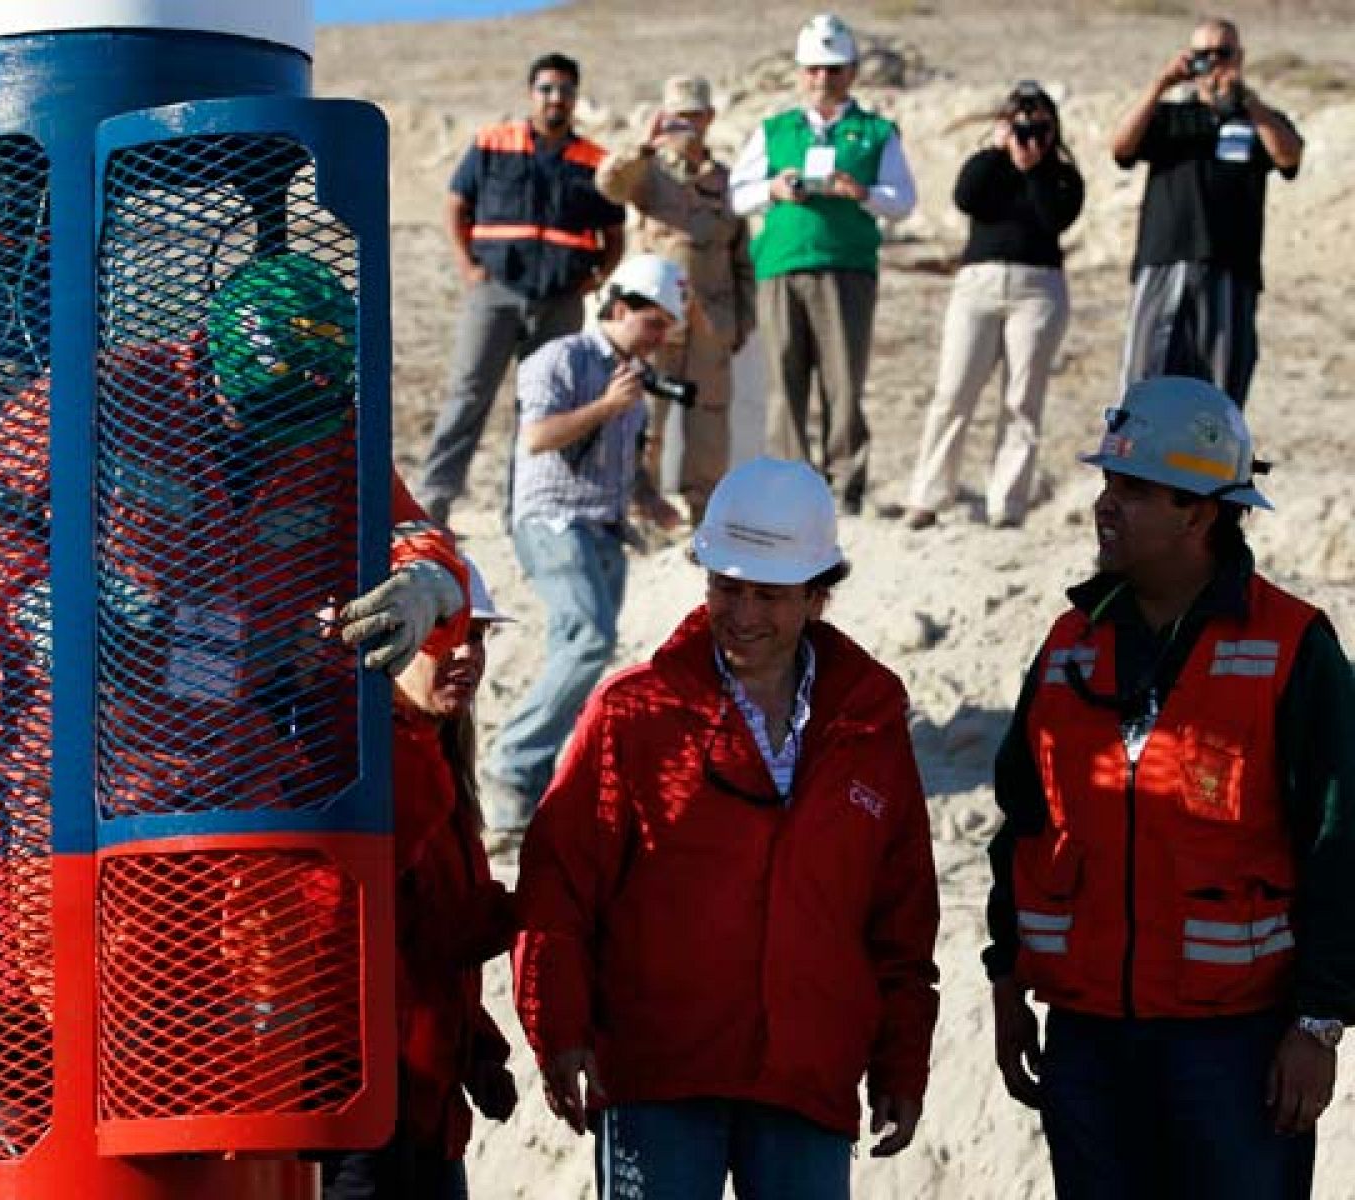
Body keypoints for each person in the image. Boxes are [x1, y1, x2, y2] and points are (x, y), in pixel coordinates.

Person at [514, 456, 939, 1198]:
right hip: (658, 1081)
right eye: (726, 587)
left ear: (816, 596)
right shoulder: (631, 716)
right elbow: (558, 887)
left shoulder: (870, 728)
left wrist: (901, 1062)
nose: (742, 613)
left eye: (768, 594)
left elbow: (901, 919)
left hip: (808, 1082)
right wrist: (560, 1029)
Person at [984, 376, 1355, 1200]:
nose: (1105, 505)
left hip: (1233, 1050)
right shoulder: (1068, 645)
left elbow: (1341, 843)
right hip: (1088, 1042)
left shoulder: (1294, 647)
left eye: (1134, 489)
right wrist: (1006, 979)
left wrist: (1318, 1023)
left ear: (1199, 513)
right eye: (1108, 483)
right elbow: (1022, 823)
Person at [320, 557, 519, 1199]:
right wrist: (525, 906)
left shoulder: (435, 758)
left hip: (423, 1109)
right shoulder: (374, 765)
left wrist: (477, 1048)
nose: (465, 653)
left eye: (476, 635)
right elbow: (402, 933)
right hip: (365, 1115)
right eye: (442, 631)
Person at [481, 254, 687, 835]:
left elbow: (624, 462)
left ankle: (532, 783)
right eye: (654, 323)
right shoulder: (560, 358)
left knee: (576, 651)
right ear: (619, 309)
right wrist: (606, 406)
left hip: (605, 527)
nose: (660, 338)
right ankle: (509, 764)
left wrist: (652, 501)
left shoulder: (633, 382)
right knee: (590, 639)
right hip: (553, 520)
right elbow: (538, 436)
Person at [414, 52, 626, 528]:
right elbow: (455, 205)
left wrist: (596, 278)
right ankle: (433, 504)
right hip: (495, 292)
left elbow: (614, 233)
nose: (556, 98)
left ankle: (526, 510)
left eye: (565, 90)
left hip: (560, 300)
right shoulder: (492, 143)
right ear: (531, 94)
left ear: (575, 98)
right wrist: (467, 266)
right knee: (468, 395)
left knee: (544, 402)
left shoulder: (594, 161)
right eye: (547, 89)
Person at [730, 13, 917, 515]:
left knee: (843, 382)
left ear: (852, 72)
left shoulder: (876, 132)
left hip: (846, 267)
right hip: (780, 266)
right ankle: (789, 485)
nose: (822, 79)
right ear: (799, 73)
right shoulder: (773, 130)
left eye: (833, 69)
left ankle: (845, 486)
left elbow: (903, 200)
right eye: (813, 69)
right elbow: (737, 195)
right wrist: (772, 188)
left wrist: (863, 193)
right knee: (783, 381)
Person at [902, 81, 1083, 531]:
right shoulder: (989, 166)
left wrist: (1034, 169)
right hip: (978, 286)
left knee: (1022, 399)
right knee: (953, 391)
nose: (1030, 137)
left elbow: (1052, 219)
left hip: (1037, 288)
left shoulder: (1063, 177)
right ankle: (928, 496)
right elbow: (965, 197)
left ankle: (1007, 503)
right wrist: (997, 148)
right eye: (1022, 127)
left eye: (1040, 128)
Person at [1112, 17, 1303, 407]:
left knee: (1219, 391)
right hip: (1164, 259)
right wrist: (1161, 84)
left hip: (1230, 265)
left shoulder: (1258, 119)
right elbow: (1121, 147)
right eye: (1203, 55)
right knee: (1144, 382)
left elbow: (1289, 157)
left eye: (1223, 53)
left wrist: (1246, 100)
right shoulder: (1169, 116)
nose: (1213, 63)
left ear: (1240, 57)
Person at [594, 74, 756, 524]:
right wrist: (643, 148)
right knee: (647, 411)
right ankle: (641, 506)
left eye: (693, 116)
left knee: (709, 419)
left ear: (709, 118)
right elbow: (609, 184)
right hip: (654, 317)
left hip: (711, 319)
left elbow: (742, 259)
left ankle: (705, 509)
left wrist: (742, 322)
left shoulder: (726, 182)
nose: (686, 126)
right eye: (677, 117)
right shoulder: (648, 174)